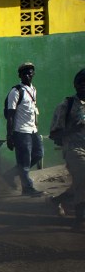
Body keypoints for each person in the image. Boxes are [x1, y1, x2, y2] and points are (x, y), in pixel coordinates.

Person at [49, 68, 85, 230]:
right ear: (75, 85)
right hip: (74, 149)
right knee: (83, 179)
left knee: (80, 183)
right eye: (81, 83)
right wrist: (74, 129)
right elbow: (54, 133)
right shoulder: (67, 105)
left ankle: (58, 200)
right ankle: (79, 220)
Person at [5, 62, 44, 196]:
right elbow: (10, 116)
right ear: (20, 75)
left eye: (30, 73)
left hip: (33, 130)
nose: (27, 75)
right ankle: (27, 188)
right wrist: (9, 136)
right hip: (21, 131)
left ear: (33, 74)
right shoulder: (16, 91)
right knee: (24, 162)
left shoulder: (33, 90)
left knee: (39, 154)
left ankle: (10, 174)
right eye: (24, 73)